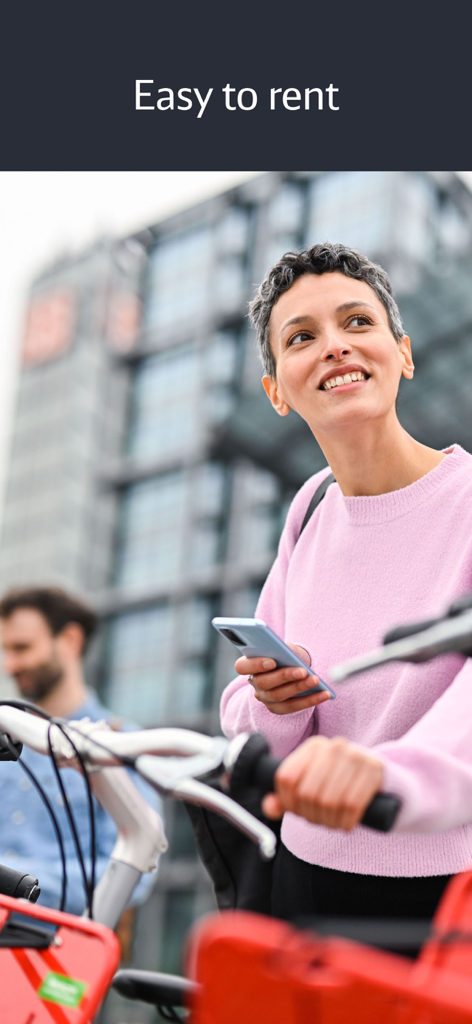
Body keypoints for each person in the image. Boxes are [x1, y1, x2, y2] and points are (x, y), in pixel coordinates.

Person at [220, 242, 472, 926]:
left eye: (357, 322)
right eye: (302, 337)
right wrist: (277, 701)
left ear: (404, 353)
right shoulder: (308, 507)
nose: (334, 346)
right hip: (303, 874)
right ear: (277, 392)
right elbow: (248, 719)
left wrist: (393, 778)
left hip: (444, 886)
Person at [0, 585, 160, 926]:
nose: (10, 664)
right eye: (5, 650)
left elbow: (135, 870)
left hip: (59, 957)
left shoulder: (121, 742)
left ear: (70, 640)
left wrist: (19, 883)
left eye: (22, 648)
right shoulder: (3, 739)